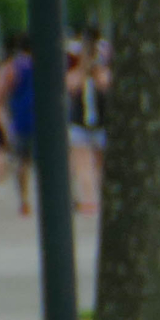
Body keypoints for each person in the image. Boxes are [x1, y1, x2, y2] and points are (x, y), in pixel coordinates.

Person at [68, 34, 110, 214]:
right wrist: (84, 69)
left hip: (100, 124)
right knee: (82, 163)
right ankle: (89, 198)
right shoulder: (75, 74)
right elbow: (71, 86)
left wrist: (96, 69)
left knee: (101, 164)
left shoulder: (103, 73)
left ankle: (100, 197)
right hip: (80, 124)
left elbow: (105, 85)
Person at [0, 32, 36, 218]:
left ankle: (24, 200)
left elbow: (2, 93)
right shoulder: (46, 64)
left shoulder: (13, 67)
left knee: (22, 161)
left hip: (21, 118)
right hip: (43, 118)